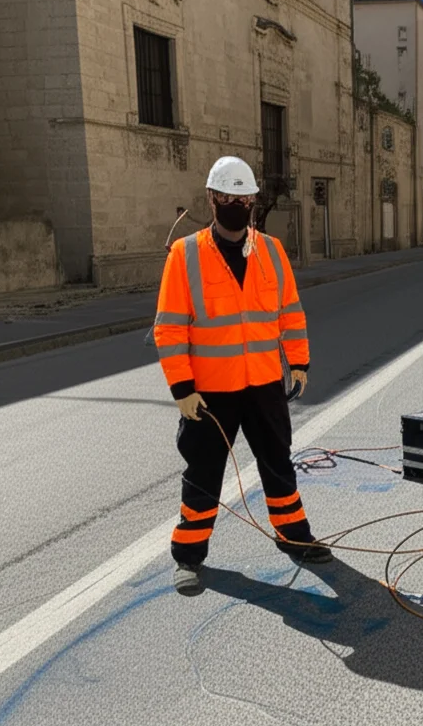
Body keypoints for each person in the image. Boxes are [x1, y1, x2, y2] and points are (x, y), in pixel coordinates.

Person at [153, 156, 333, 597]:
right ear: (212, 200)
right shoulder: (186, 254)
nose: (236, 204)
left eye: (243, 197)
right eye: (227, 197)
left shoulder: (271, 251)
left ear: (254, 200)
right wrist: (181, 388)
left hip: (263, 384)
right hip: (210, 393)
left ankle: (293, 534)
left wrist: (299, 361)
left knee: (278, 462)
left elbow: (290, 312)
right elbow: (170, 327)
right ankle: (188, 556)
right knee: (203, 472)